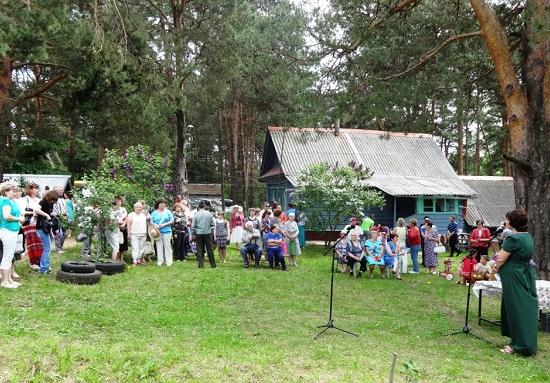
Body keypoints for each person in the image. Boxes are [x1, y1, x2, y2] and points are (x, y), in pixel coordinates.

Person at [494, 209, 537, 356]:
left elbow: (500, 259)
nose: (505, 222)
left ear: (512, 222)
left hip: (513, 275)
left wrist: (495, 267)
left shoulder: (513, 239)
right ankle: (522, 340)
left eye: (506, 219)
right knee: (522, 305)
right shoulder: (527, 237)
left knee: (516, 308)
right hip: (524, 273)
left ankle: (518, 345)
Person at [0, 183, 25, 288]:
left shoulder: (9, 201)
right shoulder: (5, 200)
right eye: (12, 191)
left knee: (10, 256)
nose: (14, 192)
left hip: (12, 231)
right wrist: (19, 219)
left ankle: (9, 280)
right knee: (7, 257)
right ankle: (5, 281)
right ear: (6, 192)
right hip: (7, 231)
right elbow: (6, 216)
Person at [34, 190, 59, 274]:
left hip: (47, 228)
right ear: (48, 197)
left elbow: (49, 212)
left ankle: (47, 267)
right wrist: (47, 215)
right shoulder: (43, 202)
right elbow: (36, 210)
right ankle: (43, 269)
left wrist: (52, 213)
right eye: (51, 200)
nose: (52, 202)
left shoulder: (50, 203)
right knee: (47, 249)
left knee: (48, 248)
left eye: (54, 201)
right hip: (41, 228)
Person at [21, 183, 42, 270]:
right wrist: (33, 213)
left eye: (38, 188)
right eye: (35, 188)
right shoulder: (25, 199)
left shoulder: (38, 199)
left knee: (40, 243)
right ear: (30, 189)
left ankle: (40, 261)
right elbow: (22, 212)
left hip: (38, 224)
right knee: (32, 244)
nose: (37, 190)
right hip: (29, 224)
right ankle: (33, 262)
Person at [192, 201, 216, 268]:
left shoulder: (196, 215)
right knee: (210, 249)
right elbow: (212, 224)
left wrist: (193, 234)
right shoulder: (209, 214)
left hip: (199, 233)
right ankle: (213, 264)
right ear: (204, 206)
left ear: (198, 206)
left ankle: (201, 265)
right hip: (207, 233)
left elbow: (193, 226)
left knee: (199, 249)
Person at [150, 199, 174, 266]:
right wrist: (155, 225)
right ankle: (160, 261)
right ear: (158, 205)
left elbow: (172, 221)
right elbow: (151, 221)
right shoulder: (154, 213)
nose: (162, 205)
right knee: (159, 246)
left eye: (163, 203)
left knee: (167, 246)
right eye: (161, 204)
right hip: (157, 232)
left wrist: (164, 224)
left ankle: (169, 261)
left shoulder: (168, 212)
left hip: (167, 231)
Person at [127, 201, 148, 266]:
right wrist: (129, 233)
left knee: (141, 248)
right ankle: (134, 261)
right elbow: (128, 224)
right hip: (134, 234)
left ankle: (139, 259)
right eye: (137, 207)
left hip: (143, 234)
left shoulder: (143, 215)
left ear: (142, 208)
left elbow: (146, 224)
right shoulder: (131, 214)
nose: (138, 208)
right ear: (134, 208)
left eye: (140, 207)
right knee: (135, 248)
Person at [52, 186, 67, 254]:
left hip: (64, 218)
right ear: (56, 191)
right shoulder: (53, 199)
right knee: (58, 233)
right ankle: (58, 249)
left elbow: (65, 209)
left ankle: (60, 246)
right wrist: (57, 215)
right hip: (56, 218)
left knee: (64, 233)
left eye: (62, 190)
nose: (62, 191)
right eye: (60, 190)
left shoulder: (62, 199)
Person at [114, 196, 128, 261]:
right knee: (116, 242)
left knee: (123, 242)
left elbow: (126, 217)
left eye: (120, 201)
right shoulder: (113, 209)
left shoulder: (123, 209)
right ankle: (116, 257)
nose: (120, 202)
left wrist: (124, 224)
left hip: (123, 227)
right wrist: (118, 225)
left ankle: (121, 257)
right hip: (115, 227)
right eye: (118, 201)